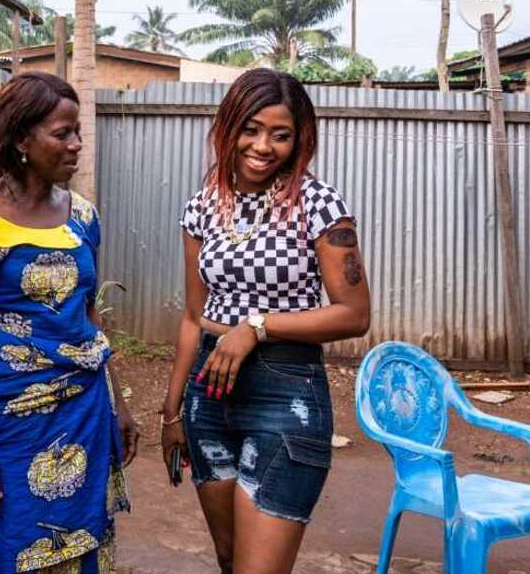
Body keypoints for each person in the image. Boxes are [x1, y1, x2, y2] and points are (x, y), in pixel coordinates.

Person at [159, 68, 371, 574]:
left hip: (286, 394)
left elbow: (355, 314)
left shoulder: (318, 205)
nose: (263, 146)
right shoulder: (203, 206)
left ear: (300, 139)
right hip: (207, 398)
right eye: (251, 129)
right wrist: (172, 412)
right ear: (229, 127)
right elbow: (194, 316)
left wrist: (257, 326)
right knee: (231, 561)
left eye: (281, 134)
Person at [0, 71, 139, 573]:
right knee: (16, 549)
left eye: (78, 132)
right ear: (22, 139)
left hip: (86, 413)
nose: (77, 145)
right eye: (62, 133)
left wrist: (119, 402)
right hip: (13, 426)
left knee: (89, 545)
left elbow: (88, 315)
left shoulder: (80, 215)